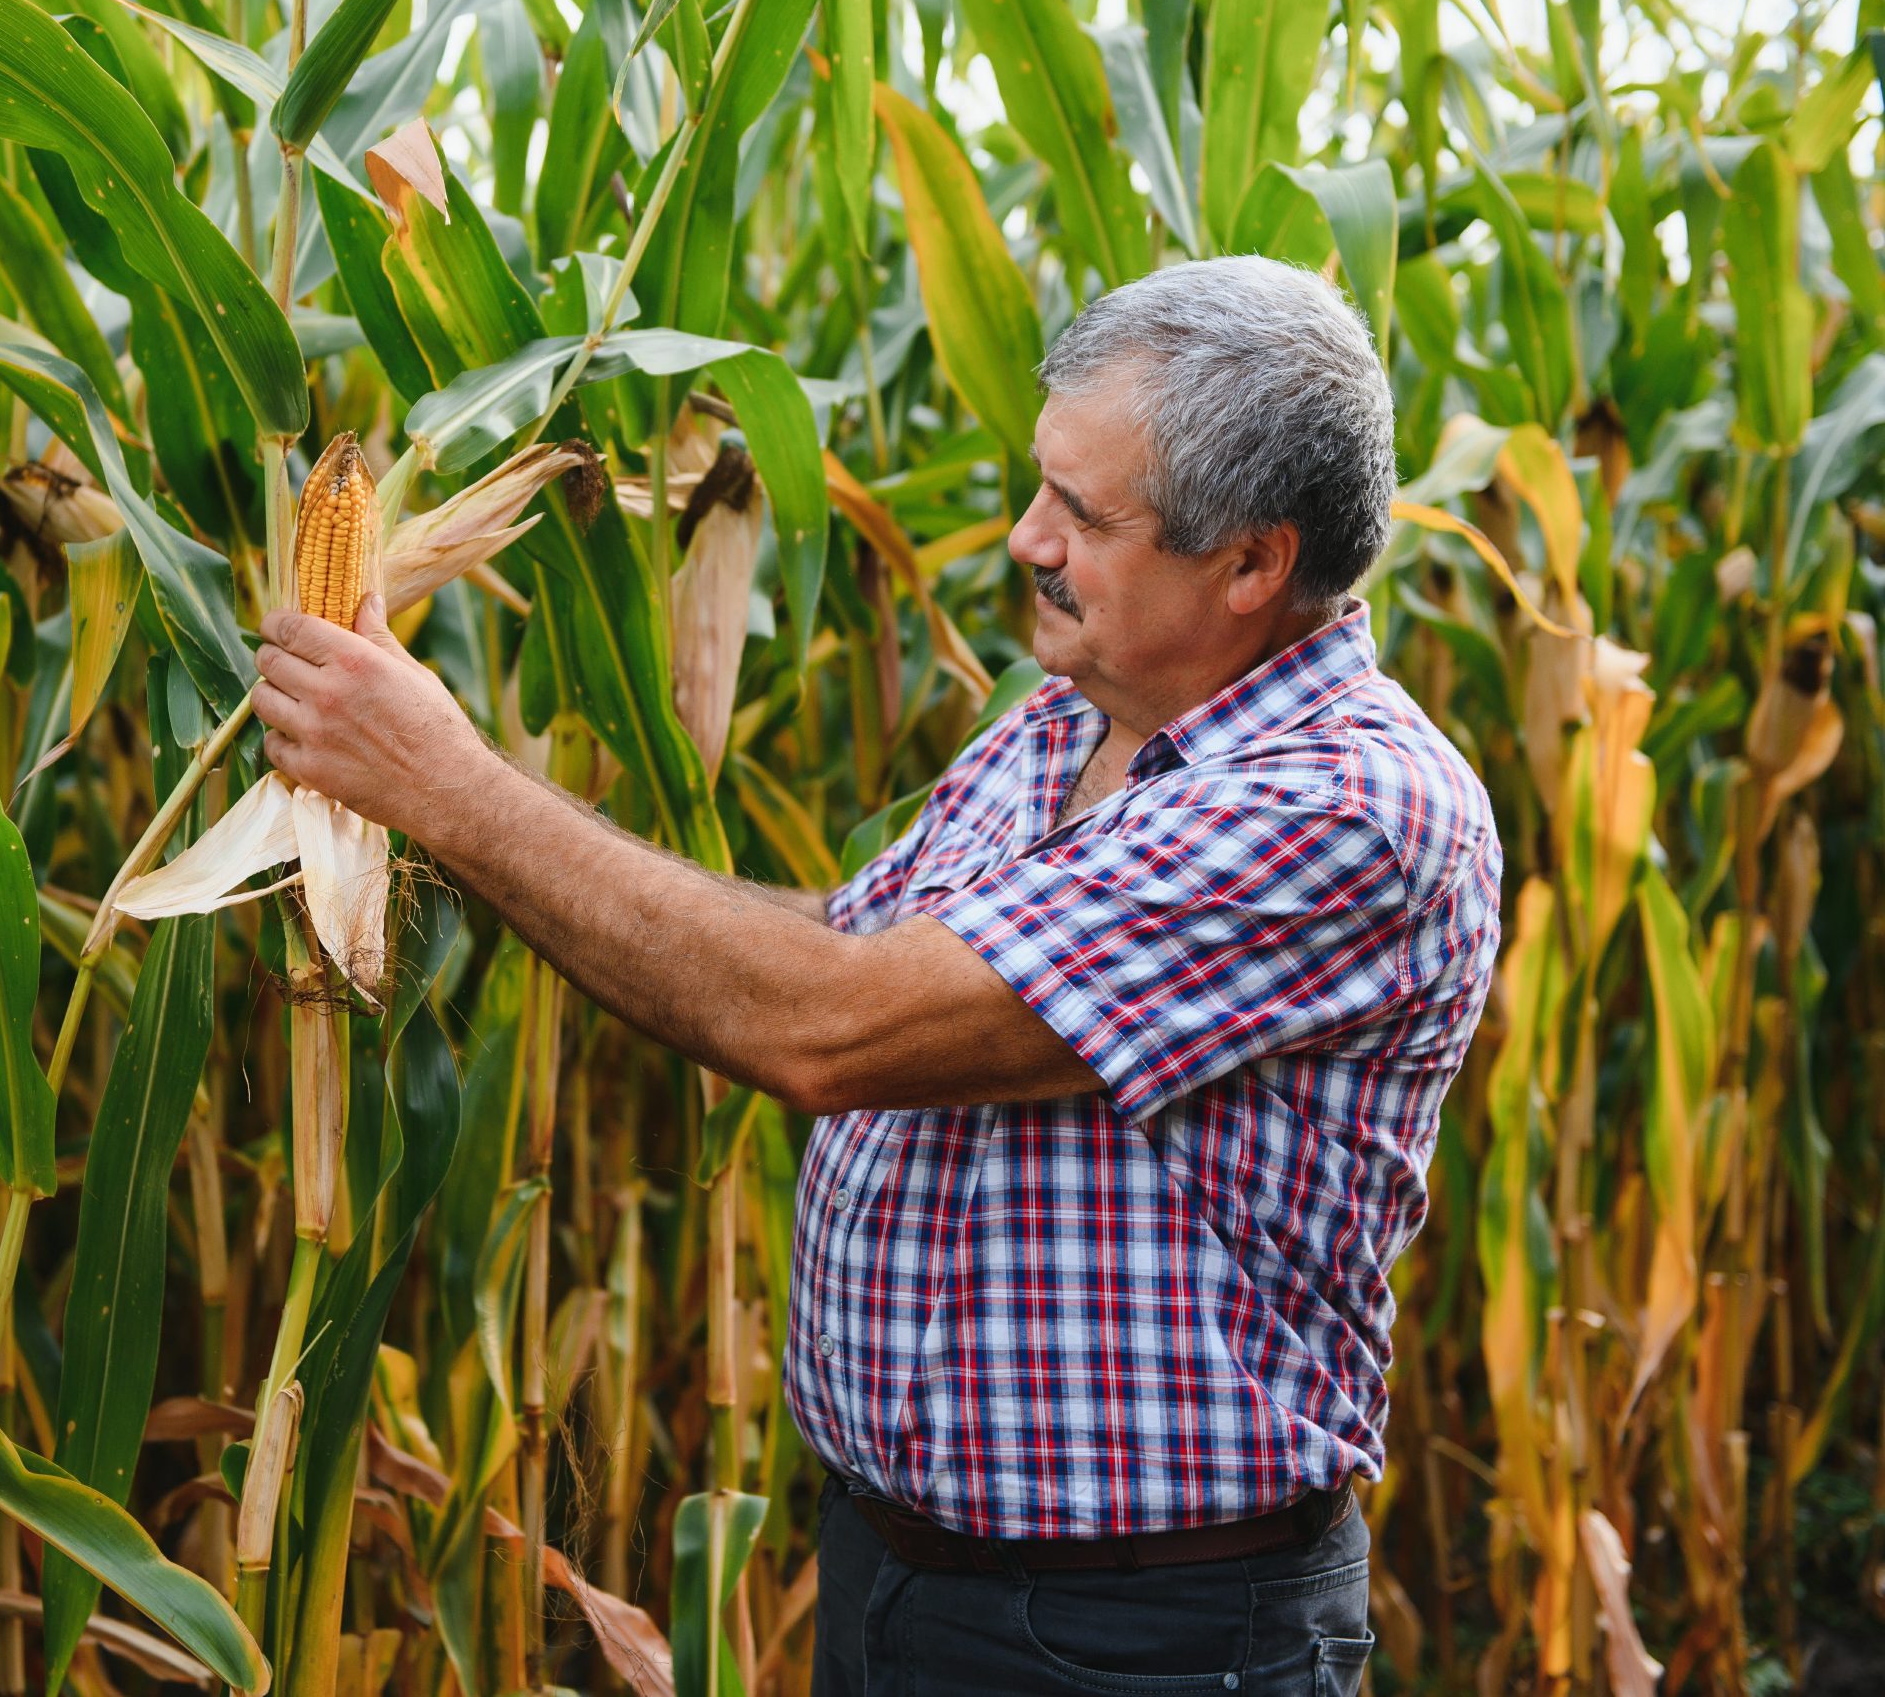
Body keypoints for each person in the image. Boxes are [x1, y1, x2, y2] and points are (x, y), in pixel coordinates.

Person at [245, 255, 1502, 1695]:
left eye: (1082, 517)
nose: (1025, 538)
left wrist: (453, 791)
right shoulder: (1059, 725)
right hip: (900, 1579)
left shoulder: (1345, 809)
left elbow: (830, 1024)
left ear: (1254, 564)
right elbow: (846, 948)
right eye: (1042, 487)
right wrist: (450, 775)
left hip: (1140, 1640)